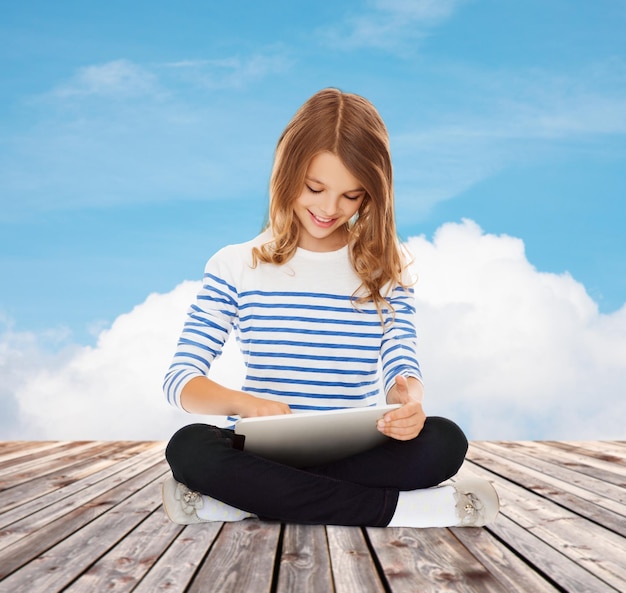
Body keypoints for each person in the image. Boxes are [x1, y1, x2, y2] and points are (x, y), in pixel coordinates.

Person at [161, 88, 499, 528]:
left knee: (445, 440)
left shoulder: (386, 267)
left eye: (351, 196)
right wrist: (246, 405)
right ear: (287, 173)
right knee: (189, 447)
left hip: (356, 451)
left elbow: (402, 364)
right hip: (260, 449)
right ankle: (402, 511)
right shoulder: (234, 264)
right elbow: (180, 380)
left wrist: (408, 403)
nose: (328, 209)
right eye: (314, 188)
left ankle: (241, 500)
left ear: (372, 195)